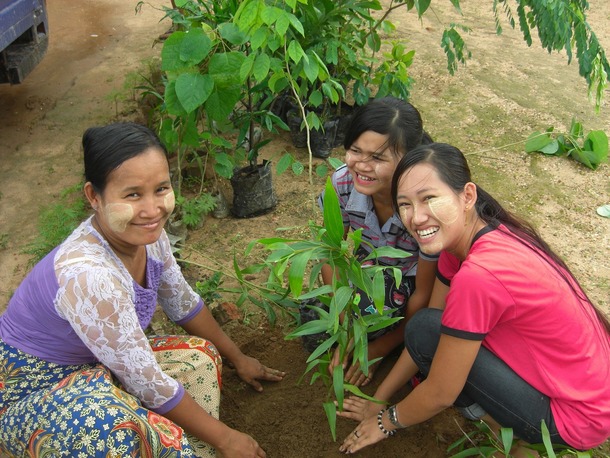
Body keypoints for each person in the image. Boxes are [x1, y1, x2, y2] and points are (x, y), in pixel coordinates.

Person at [0, 122, 285, 457]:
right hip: (34, 391)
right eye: (133, 194)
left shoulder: (148, 237)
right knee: (112, 433)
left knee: (200, 359)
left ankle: (192, 448)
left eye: (161, 189)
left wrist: (237, 358)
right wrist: (226, 438)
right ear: (95, 196)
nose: (152, 210)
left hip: (97, 368)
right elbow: (146, 382)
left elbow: (183, 304)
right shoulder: (90, 274)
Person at [337, 142, 610, 455]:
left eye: (429, 198)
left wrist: (386, 421)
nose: (416, 217)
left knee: (432, 341)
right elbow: (428, 333)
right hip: (586, 387)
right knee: (426, 327)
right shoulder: (479, 237)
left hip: (575, 418)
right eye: (405, 205)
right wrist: (379, 398)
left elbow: (441, 391)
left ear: (467, 196)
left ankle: (518, 444)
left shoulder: (478, 275)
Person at [301, 97, 438, 387]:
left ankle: (400, 343)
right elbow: (332, 255)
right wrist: (345, 327)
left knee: (421, 330)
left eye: (377, 158)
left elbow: (424, 293)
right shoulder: (341, 184)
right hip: (370, 272)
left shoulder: (422, 206)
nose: (361, 166)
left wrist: (378, 347)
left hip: (417, 281)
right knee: (316, 322)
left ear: (408, 159)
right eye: (354, 151)